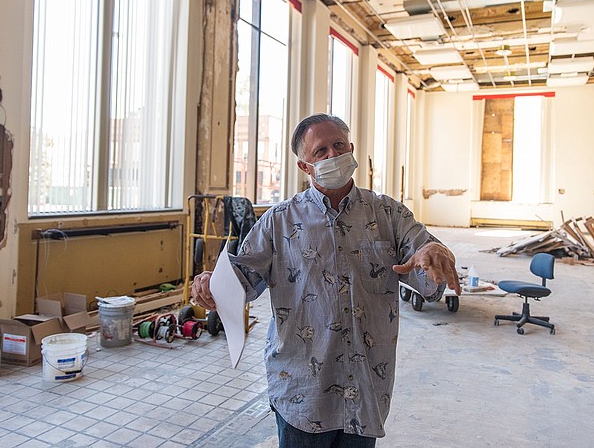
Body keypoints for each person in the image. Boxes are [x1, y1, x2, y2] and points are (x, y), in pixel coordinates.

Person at [191, 113, 460, 447]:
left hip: (366, 388)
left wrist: (434, 254)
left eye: (338, 145)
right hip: (302, 392)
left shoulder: (388, 214)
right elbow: (240, 279)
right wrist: (210, 284)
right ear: (305, 167)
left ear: (351, 148)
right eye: (320, 151)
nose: (333, 155)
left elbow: (425, 255)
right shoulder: (278, 221)